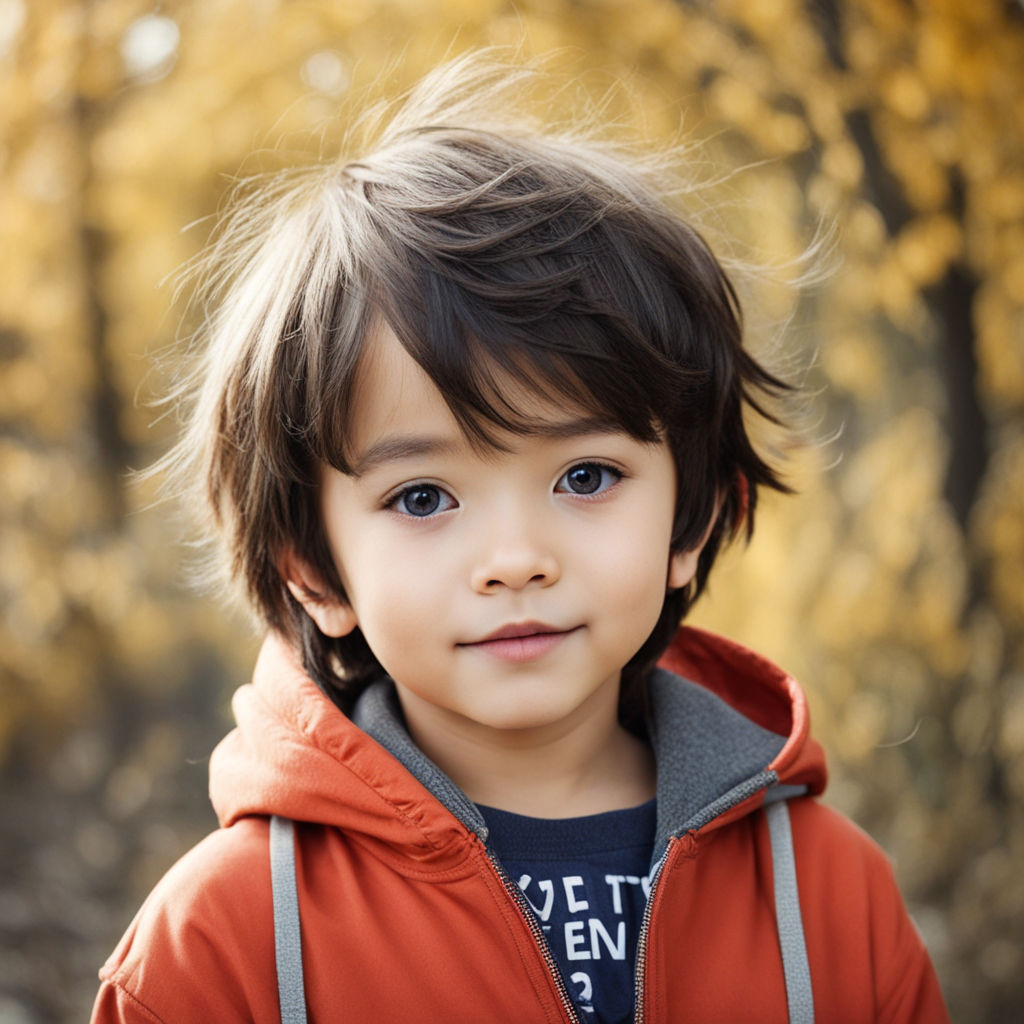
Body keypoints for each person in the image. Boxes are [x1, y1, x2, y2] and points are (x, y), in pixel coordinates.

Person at [91, 54, 949, 1024]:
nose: (515, 558)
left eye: (584, 477)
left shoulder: (829, 901)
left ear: (692, 513)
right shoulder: (226, 942)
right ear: (315, 570)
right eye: (422, 496)